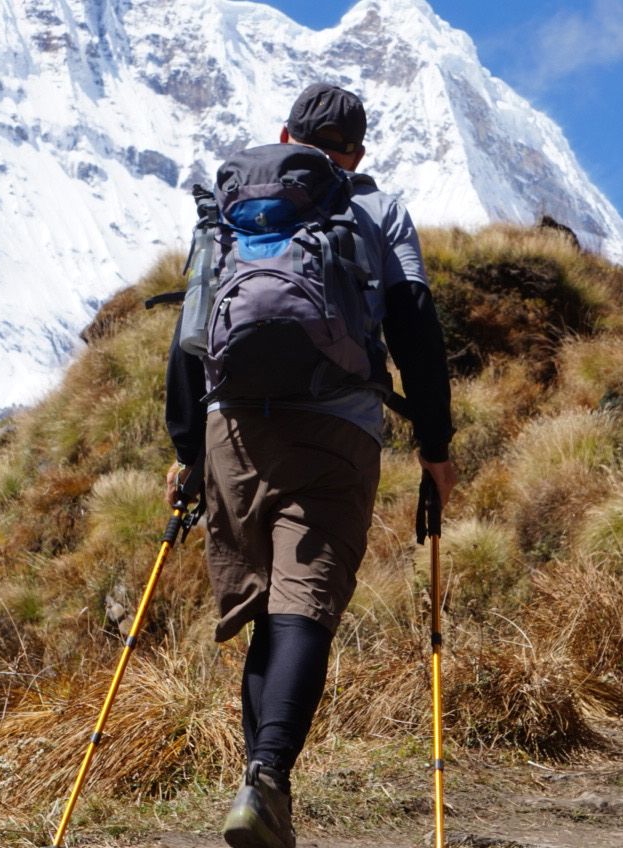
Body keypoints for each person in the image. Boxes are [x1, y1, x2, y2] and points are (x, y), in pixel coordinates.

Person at [163, 83, 457, 848]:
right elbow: (416, 325)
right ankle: (266, 780)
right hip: (336, 429)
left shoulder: (233, 209)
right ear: (356, 152)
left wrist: (186, 451)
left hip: (233, 433)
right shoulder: (377, 210)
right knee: (306, 604)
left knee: (269, 608)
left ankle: (259, 790)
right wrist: (436, 445)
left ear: (287, 134)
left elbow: (191, 335)